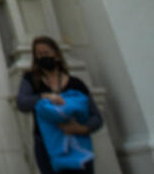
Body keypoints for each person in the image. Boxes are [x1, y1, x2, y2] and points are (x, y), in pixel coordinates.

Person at [15, 35, 103, 174]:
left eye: (46, 53)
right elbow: (22, 103)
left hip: (77, 143)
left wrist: (81, 128)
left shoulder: (76, 84)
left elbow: (96, 117)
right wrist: (44, 97)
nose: (43, 57)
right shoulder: (32, 80)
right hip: (46, 144)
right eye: (39, 54)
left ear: (56, 55)